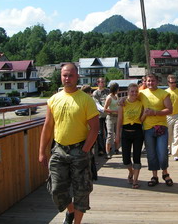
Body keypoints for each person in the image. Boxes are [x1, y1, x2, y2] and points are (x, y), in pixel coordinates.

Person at [39, 63, 99, 224]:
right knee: (56, 189)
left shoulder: (86, 100)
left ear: (77, 77)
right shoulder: (53, 100)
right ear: (61, 77)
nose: (67, 78)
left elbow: (95, 128)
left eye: (71, 75)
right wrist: (41, 151)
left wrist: (85, 150)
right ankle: (70, 211)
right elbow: (48, 126)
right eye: (65, 75)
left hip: (79, 149)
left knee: (81, 191)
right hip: (59, 149)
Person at [139, 73, 173, 187]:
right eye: (148, 81)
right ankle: (154, 176)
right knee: (151, 153)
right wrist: (123, 99)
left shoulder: (164, 94)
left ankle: (165, 173)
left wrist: (154, 113)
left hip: (161, 127)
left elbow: (169, 110)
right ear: (145, 82)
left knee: (162, 152)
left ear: (157, 82)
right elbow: (131, 97)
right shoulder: (142, 93)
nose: (150, 83)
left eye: (152, 81)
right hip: (148, 128)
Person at [115, 83, 145, 189]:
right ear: (128, 92)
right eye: (132, 91)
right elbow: (119, 120)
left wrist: (145, 114)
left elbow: (141, 119)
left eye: (136, 91)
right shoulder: (123, 103)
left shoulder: (140, 103)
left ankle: (135, 180)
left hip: (137, 132)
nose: (134, 93)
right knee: (126, 160)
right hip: (126, 133)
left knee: (137, 157)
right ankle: (131, 172)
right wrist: (117, 135)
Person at [92, 77, 109, 156]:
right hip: (99, 115)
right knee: (100, 132)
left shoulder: (107, 91)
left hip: (108, 114)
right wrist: (104, 109)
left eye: (104, 82)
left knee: (108, 132)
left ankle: (107, 147)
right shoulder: (95, 93)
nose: (103, 83)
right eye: (101, 82)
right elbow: (97, 104)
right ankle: (101, 149)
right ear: (98, 83)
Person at [103, 82, 120, 159]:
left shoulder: (116, 96)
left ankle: (116, 149)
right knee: (110, 134)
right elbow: (105, 109)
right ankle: (107, 151)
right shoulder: (109, 97)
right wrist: (114, 111)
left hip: (117, 117)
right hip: (110, 117)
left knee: (117, 133)